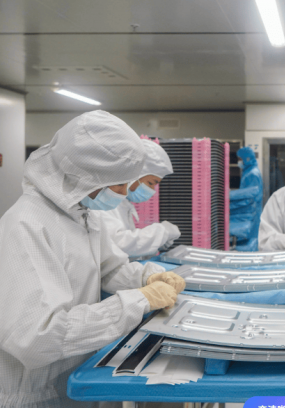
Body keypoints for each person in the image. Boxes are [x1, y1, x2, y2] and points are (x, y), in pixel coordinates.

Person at [0, 110, 186, 408]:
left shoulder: (82, 214)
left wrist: (146, 278)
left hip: (75, 378)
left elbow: (107, 270)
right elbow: (35, 337)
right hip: (35, 395)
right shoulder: (27, 225)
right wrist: (137, 301)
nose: (124, 193)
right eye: (118, 185)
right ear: (83, 177)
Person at [94, 139, 180, 257]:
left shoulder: (123, 202)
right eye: (150, 183)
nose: (152, 190)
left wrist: (158, 243)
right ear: (135, 175)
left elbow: (125, 253)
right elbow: (119, 244)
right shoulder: (103, 201)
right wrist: (162, 232)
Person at [229, 146, 264, 251]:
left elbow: (249, 196)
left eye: (240, 159)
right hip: (252, 211)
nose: (239, 161)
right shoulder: (248, 171)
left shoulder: (252, 174)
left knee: (251, 241)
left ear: (247, 158)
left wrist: (230, 198)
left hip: (252, 212)